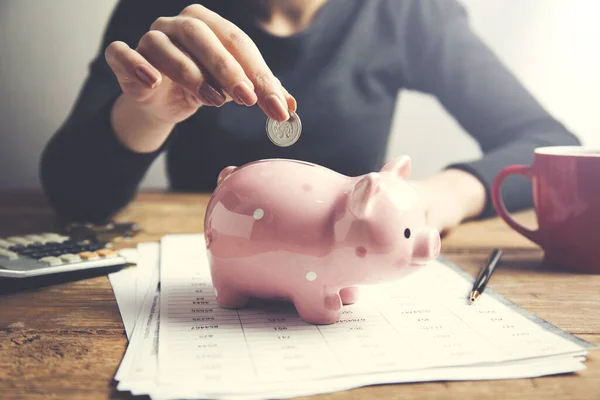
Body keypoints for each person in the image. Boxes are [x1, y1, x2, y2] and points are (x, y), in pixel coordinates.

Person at [40, 0, 580, 235]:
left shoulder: (406, 12)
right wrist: (147, 114)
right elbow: (75, 197)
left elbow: (546, 143)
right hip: (216, 261)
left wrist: (429, 201)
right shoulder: (170, 18)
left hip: (355, 254)